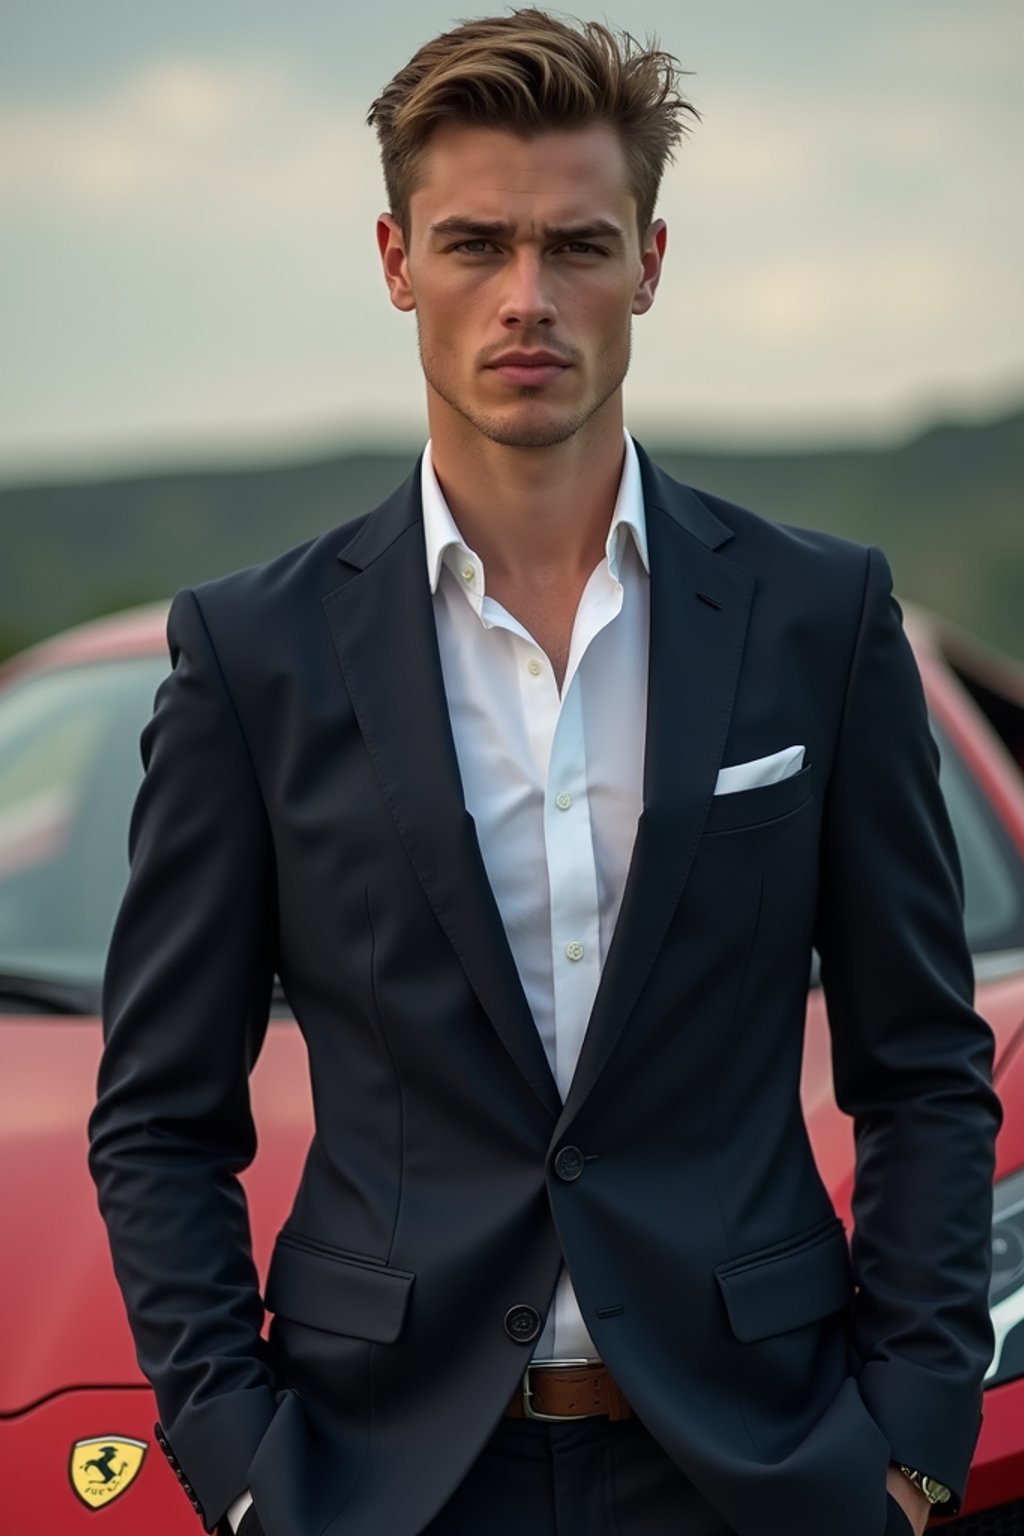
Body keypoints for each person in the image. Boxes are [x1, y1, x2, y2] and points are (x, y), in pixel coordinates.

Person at [88, 11, 1002, 1536]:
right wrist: (244, 1468)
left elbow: (922, 1067)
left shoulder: (820, 620)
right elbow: (160, 1114)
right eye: (474, 244)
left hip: (756, 1470)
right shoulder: (252, 656)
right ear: (395, 262)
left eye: (579, 245)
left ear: (649, 262)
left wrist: (909, 1444)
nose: (528, 298)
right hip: (382, 1481)